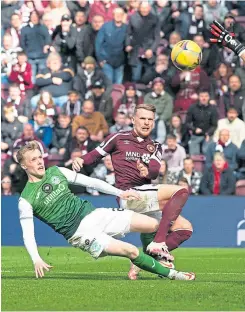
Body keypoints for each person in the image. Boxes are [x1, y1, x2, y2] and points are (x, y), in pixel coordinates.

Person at [16, 140, 195, 280]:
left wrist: (120, 192)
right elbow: (28, 234)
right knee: (131, 251)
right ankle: (173, 275)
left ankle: (149, 257)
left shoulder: (57, 171)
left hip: (95, 214)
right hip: (81, 234)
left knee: (153, 224)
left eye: (40, 157)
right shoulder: (26, 199)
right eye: (33, 160)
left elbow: (91, 182)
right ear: (24, 166)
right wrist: (36, 258)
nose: (40, 162)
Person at [72, 104, 193, 279]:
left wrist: (147, 172)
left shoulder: (155, 146)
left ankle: (142, 260)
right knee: (180, 191)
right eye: (143, 118)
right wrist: (81, 160)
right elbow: (96, 154)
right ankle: (158, 243)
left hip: (146, 196)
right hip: (129, 195)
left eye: (150, 119)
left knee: (185, 229)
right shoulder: (118, 138)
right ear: (133, 119)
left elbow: (154, 170)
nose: (146, 123)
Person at [126, 1, 160, 82]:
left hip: (149, 52)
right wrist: (127, 44)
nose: (144, 10)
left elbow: (157, 37)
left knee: (149, 78)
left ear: (149, 8)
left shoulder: (155, 19)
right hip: (136, 51)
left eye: (146, 8)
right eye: (142, 8)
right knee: (135, 78)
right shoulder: (133, 17)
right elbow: (128, 33)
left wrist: (151, 49)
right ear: (139, 8)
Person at [95, 7, 127, 84]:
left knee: (118, 86)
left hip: (120, 62)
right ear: (113, 15)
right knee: (108, 85)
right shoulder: (105, 27)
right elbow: (98, 43)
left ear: (123, 15)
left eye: (120, 14)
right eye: (116, 14)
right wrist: (100, 59)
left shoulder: (126, 28)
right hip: (106, 61)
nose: (118, 16)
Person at [20, 10, 51, 83]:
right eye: (32, 16)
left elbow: (48, 38)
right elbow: (22, 42)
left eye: (36, 16)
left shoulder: (43, 27)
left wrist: (47, 45)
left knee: (42, 76)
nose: (34, 18)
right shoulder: (25, 29)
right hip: (30, 57)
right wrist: (26, 52)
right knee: (32, 77)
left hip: (42, 57)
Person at [186, 90, 218, 155]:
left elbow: (214, 125)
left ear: (209, 97)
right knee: (194, 154)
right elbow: (187, 123)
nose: (204, 98)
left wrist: (208, 133)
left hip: (208, 135)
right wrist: (194, 129)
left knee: (207, 152)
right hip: (195, 135)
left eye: (206, 96)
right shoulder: (192, 107)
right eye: (202, 96)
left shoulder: (213, 109)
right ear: (198, 97)